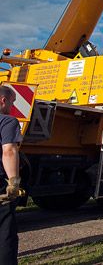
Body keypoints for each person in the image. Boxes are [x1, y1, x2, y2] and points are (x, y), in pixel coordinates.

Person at [0, 86, 22, 265]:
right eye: (13, 102)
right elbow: (8, 151)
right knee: (5, 233)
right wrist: (13, 184)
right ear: (3, 100)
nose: (12, 107)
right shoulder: (7, 122)